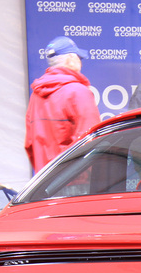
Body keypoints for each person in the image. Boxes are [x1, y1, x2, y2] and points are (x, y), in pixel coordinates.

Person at [24, 36, 100, 172]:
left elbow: (29, 144)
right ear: (70, 59)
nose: (81, 62)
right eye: (79, 57)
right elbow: (92, 141)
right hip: (74, 180)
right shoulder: (79, 92)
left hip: (43, 179)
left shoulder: (35, 95)